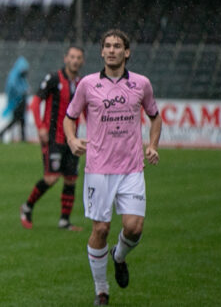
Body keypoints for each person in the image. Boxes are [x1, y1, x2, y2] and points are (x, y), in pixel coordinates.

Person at [63, 29, 162, 306]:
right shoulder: (87, 84)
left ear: (126, 52)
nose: (111, 50)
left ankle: (118, 256)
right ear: (102, 51)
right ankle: (101, 290)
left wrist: (153, 145)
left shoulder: (141, 84)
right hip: (98, 169)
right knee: (101, 229)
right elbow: (69, 117)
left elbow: (155, 117)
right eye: (107, 45)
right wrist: (71, 139)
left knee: (133, 228)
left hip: (131, 168)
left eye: (117, 46)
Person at [20, 46, 85, 231]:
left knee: (71, 179)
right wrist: (40, 127)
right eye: (72, 56)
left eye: (78, 57)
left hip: (72, 139)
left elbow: (87, 109)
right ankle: (27, 207)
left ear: (83, 61)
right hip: (53, 138)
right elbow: (35, 103)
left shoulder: (82, 83)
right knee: (51, 178)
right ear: (65, 58)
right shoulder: (54, 78)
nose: (75, 60)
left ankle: (64, 221)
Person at [0, 56, 29, 143]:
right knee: (17, 119)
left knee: (21, 119)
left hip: (20, 99)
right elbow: (12, 86)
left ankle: (23, 137)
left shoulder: (19, 75)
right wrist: (20, 92)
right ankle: (2, 132)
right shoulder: (15, 74)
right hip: (18, 100)